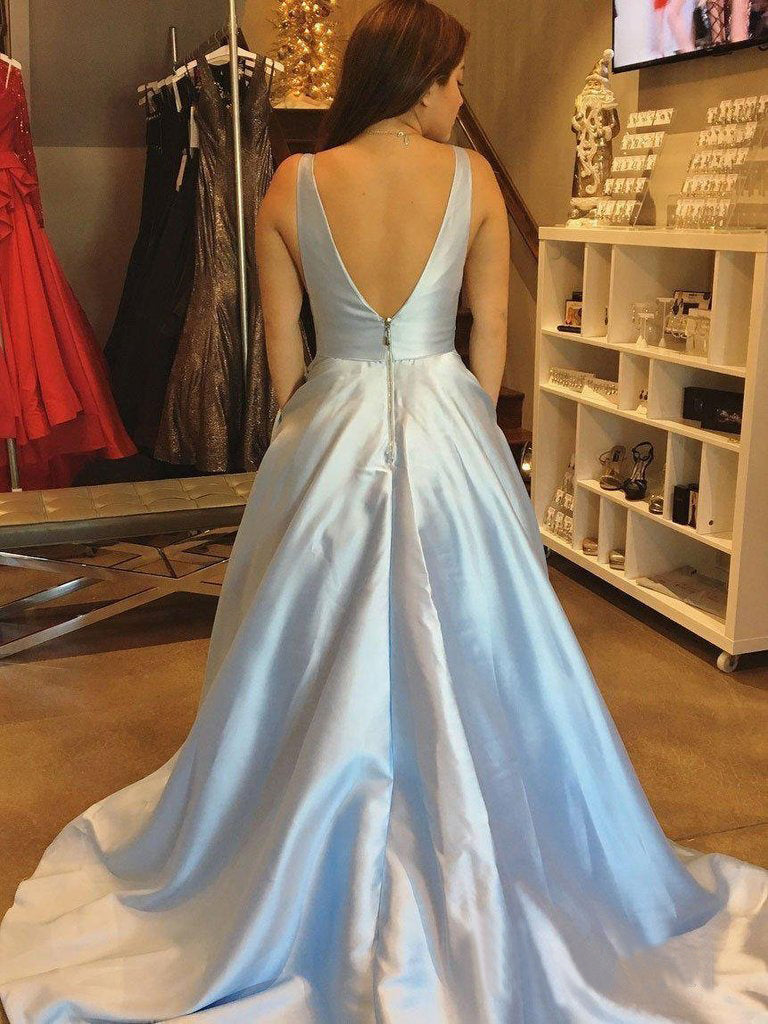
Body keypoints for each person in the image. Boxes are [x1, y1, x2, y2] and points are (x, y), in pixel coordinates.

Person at [1, 1, 767, 1020]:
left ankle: (295, 840)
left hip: (333, 419)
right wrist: (472, 428)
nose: (462, 96)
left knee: (302, 643)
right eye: (455, 79)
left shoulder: (293, 180)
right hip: (448, 419)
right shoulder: (476, 180)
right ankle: (498, 836)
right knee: (491, 645)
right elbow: (490, 334)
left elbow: (282, 353)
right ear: (418, 81)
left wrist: (311, 428)